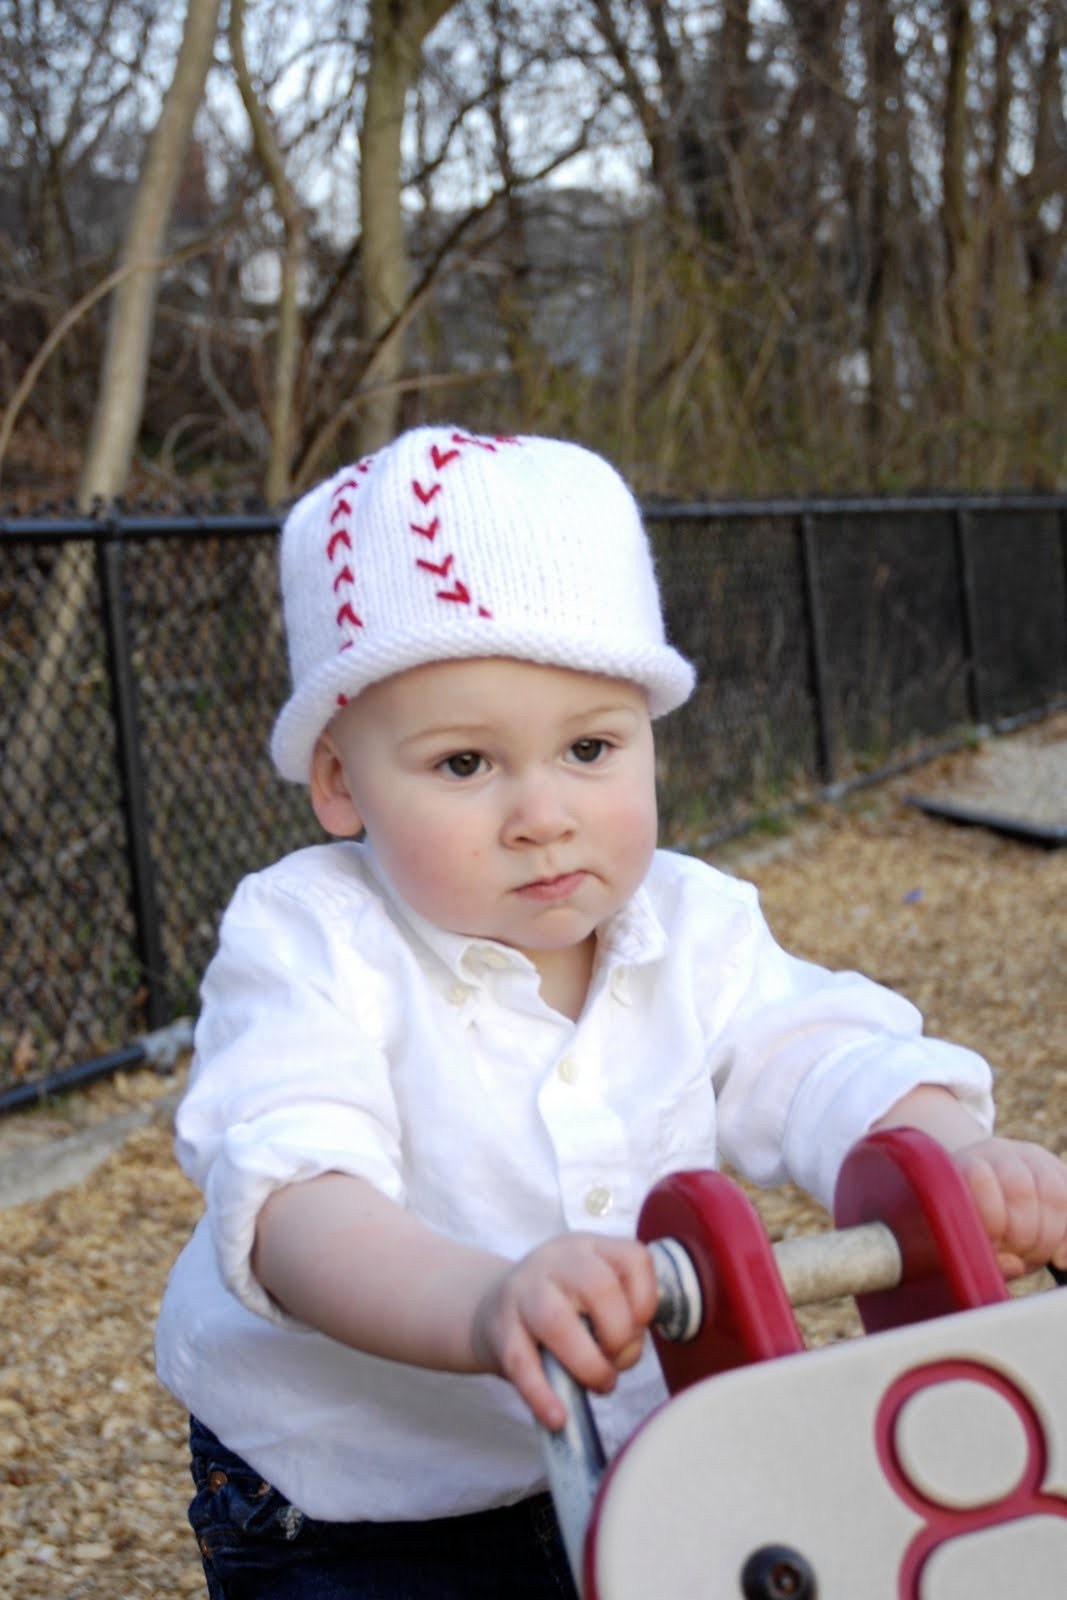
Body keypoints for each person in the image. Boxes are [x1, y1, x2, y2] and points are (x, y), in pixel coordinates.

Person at [156, 425, 1067, 1600]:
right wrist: (482, 1302)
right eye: (464, 764)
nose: (542, 812)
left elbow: (821, 1052)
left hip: (649, 1455)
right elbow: (295, 1198)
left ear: (647, 730)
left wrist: (957, 1159)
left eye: (589, 746)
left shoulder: (691, 922)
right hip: (363, 1496)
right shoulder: (307, 943)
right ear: (338, 778)